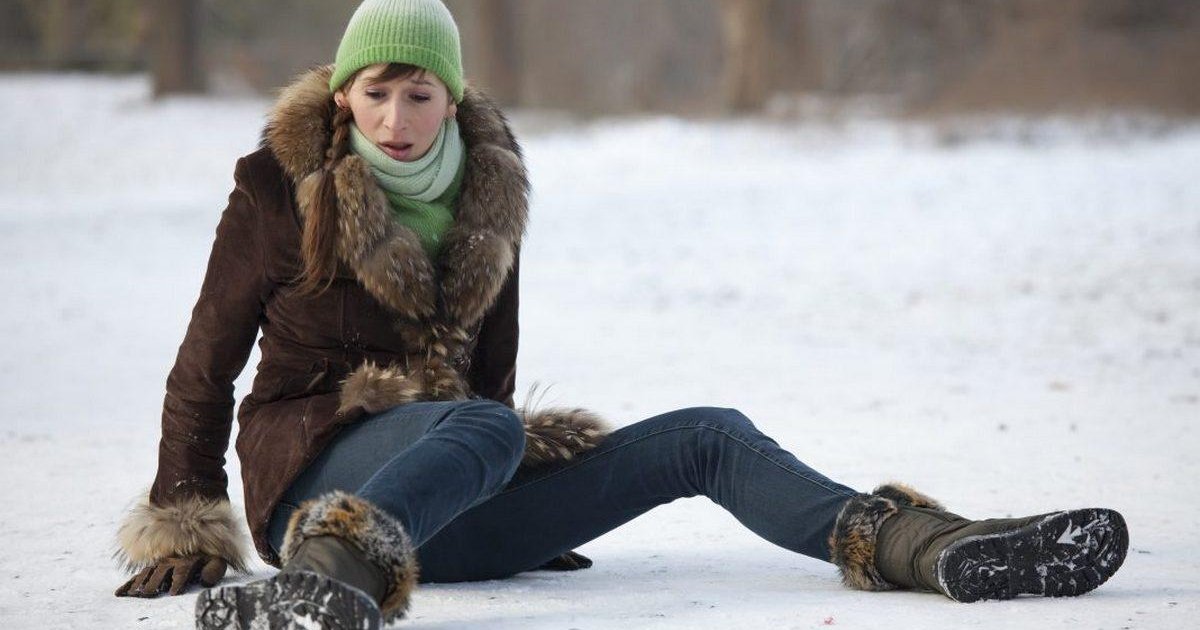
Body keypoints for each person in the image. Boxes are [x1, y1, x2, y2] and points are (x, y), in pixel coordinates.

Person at [112, 1, 1129, 628]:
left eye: (419, 95)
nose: (397, 118)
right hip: (312, 481)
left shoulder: (490, 194)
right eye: (377, 93)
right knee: (489, 427)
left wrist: (516, 492)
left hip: (445, 506)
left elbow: (487, 372)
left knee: (708, 435)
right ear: (343, 97)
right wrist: (184, 517)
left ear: (451, 98)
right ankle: (325, 592)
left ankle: (928, 548)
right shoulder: (275, 188)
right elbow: (205, 363)